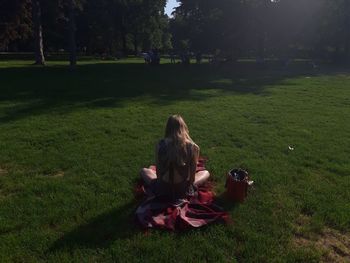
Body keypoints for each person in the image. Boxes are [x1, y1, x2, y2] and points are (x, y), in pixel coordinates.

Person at [140, 115, 210, 200]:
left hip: (163, 188)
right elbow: (192, 180)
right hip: (182, 190)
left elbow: (158, 175)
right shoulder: (193, 147)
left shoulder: (159, 145)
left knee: (144, 171)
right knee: (205, 173)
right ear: (183, 127)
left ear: (167, 128)